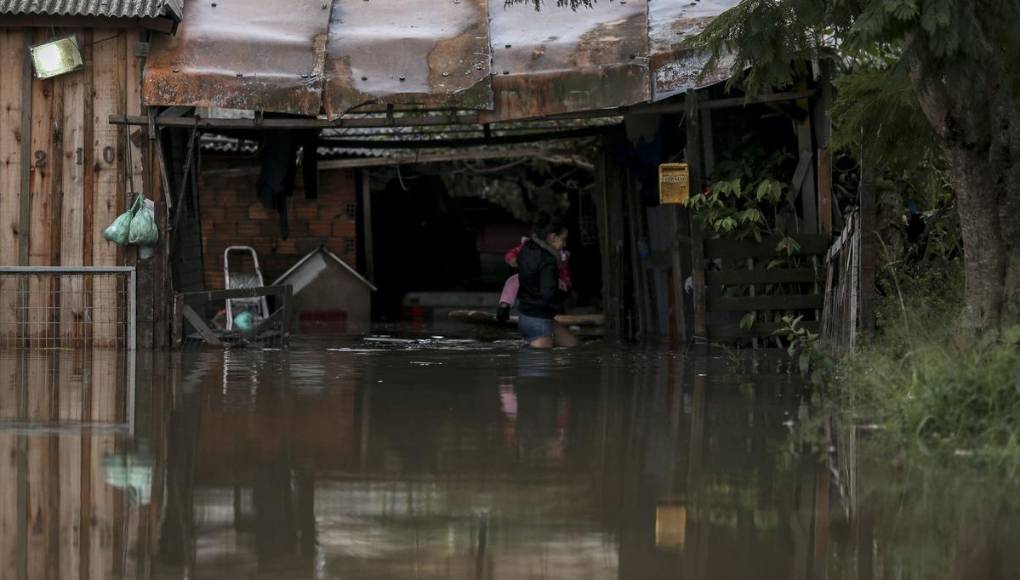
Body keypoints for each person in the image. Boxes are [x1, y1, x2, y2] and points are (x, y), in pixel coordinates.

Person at [515, 214, 578, 349]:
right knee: (540, 361)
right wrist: (566, 293)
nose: (565, 244)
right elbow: (548, 294)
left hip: (525, 315)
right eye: (563, 239)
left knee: (571, 345)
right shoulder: (548, 261)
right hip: (539, 319)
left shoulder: (526, 249)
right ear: (552, 237)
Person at [496, 237, 571, 322]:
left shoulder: (560, 254)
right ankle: (504, 307)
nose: (564, 244)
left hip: (550, 281)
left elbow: (564, 274)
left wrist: (565, 283)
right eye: (563, 240)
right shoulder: (528, 246)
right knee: (512, 281)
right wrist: (514, 260)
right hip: (529, 277)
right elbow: (511, 254)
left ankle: (559, 314)